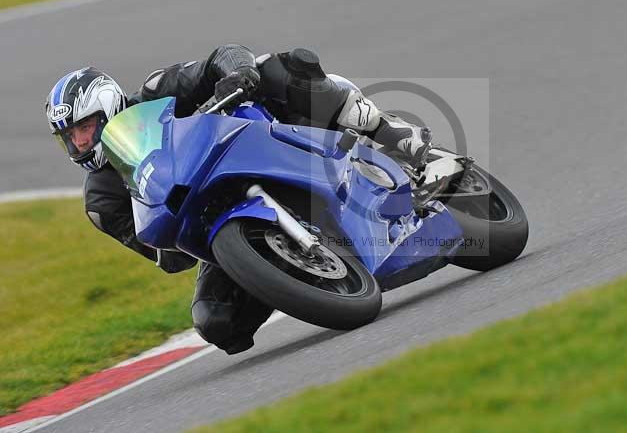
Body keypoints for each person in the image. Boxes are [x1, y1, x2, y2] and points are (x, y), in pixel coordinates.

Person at [44, 44, 432, 354]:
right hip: (210, 221)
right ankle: (294, 270)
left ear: (108, 106)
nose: (80, 142)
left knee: (277, 68)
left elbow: (222, 56)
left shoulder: (156, 92)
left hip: (257, 143)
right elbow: (168, 257)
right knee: (216, 323)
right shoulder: (102, 199)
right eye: (70, 137)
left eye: (85, 127)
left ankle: (385, 128)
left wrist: (238, 74)